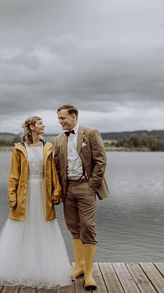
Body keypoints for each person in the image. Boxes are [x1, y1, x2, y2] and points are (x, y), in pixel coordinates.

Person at [0, 116, 71, 289]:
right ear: (32, 127)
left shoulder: (48, 147)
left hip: (43, 193)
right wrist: (12, 198)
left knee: (44, 227)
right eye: (40, 123)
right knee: (21, 226)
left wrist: (57, 192)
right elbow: (13, 176)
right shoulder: (19, 149)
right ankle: (18, 267)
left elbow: (53, 172)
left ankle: (44, 268)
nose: (44, 125)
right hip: (25, 193)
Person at [54, 104, 109, 290]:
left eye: (62, 118)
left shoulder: (91, 133)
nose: (60, 122)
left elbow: (101, 161)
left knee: (87, 226)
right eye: (59, 119)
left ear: (74, 116)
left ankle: (89, 274)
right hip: (67, 189)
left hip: (86, 187)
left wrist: (91, 186)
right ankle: (79, 266)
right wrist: (59, 190)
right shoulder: (59, 139)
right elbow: (57, 167)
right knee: (73, 228)